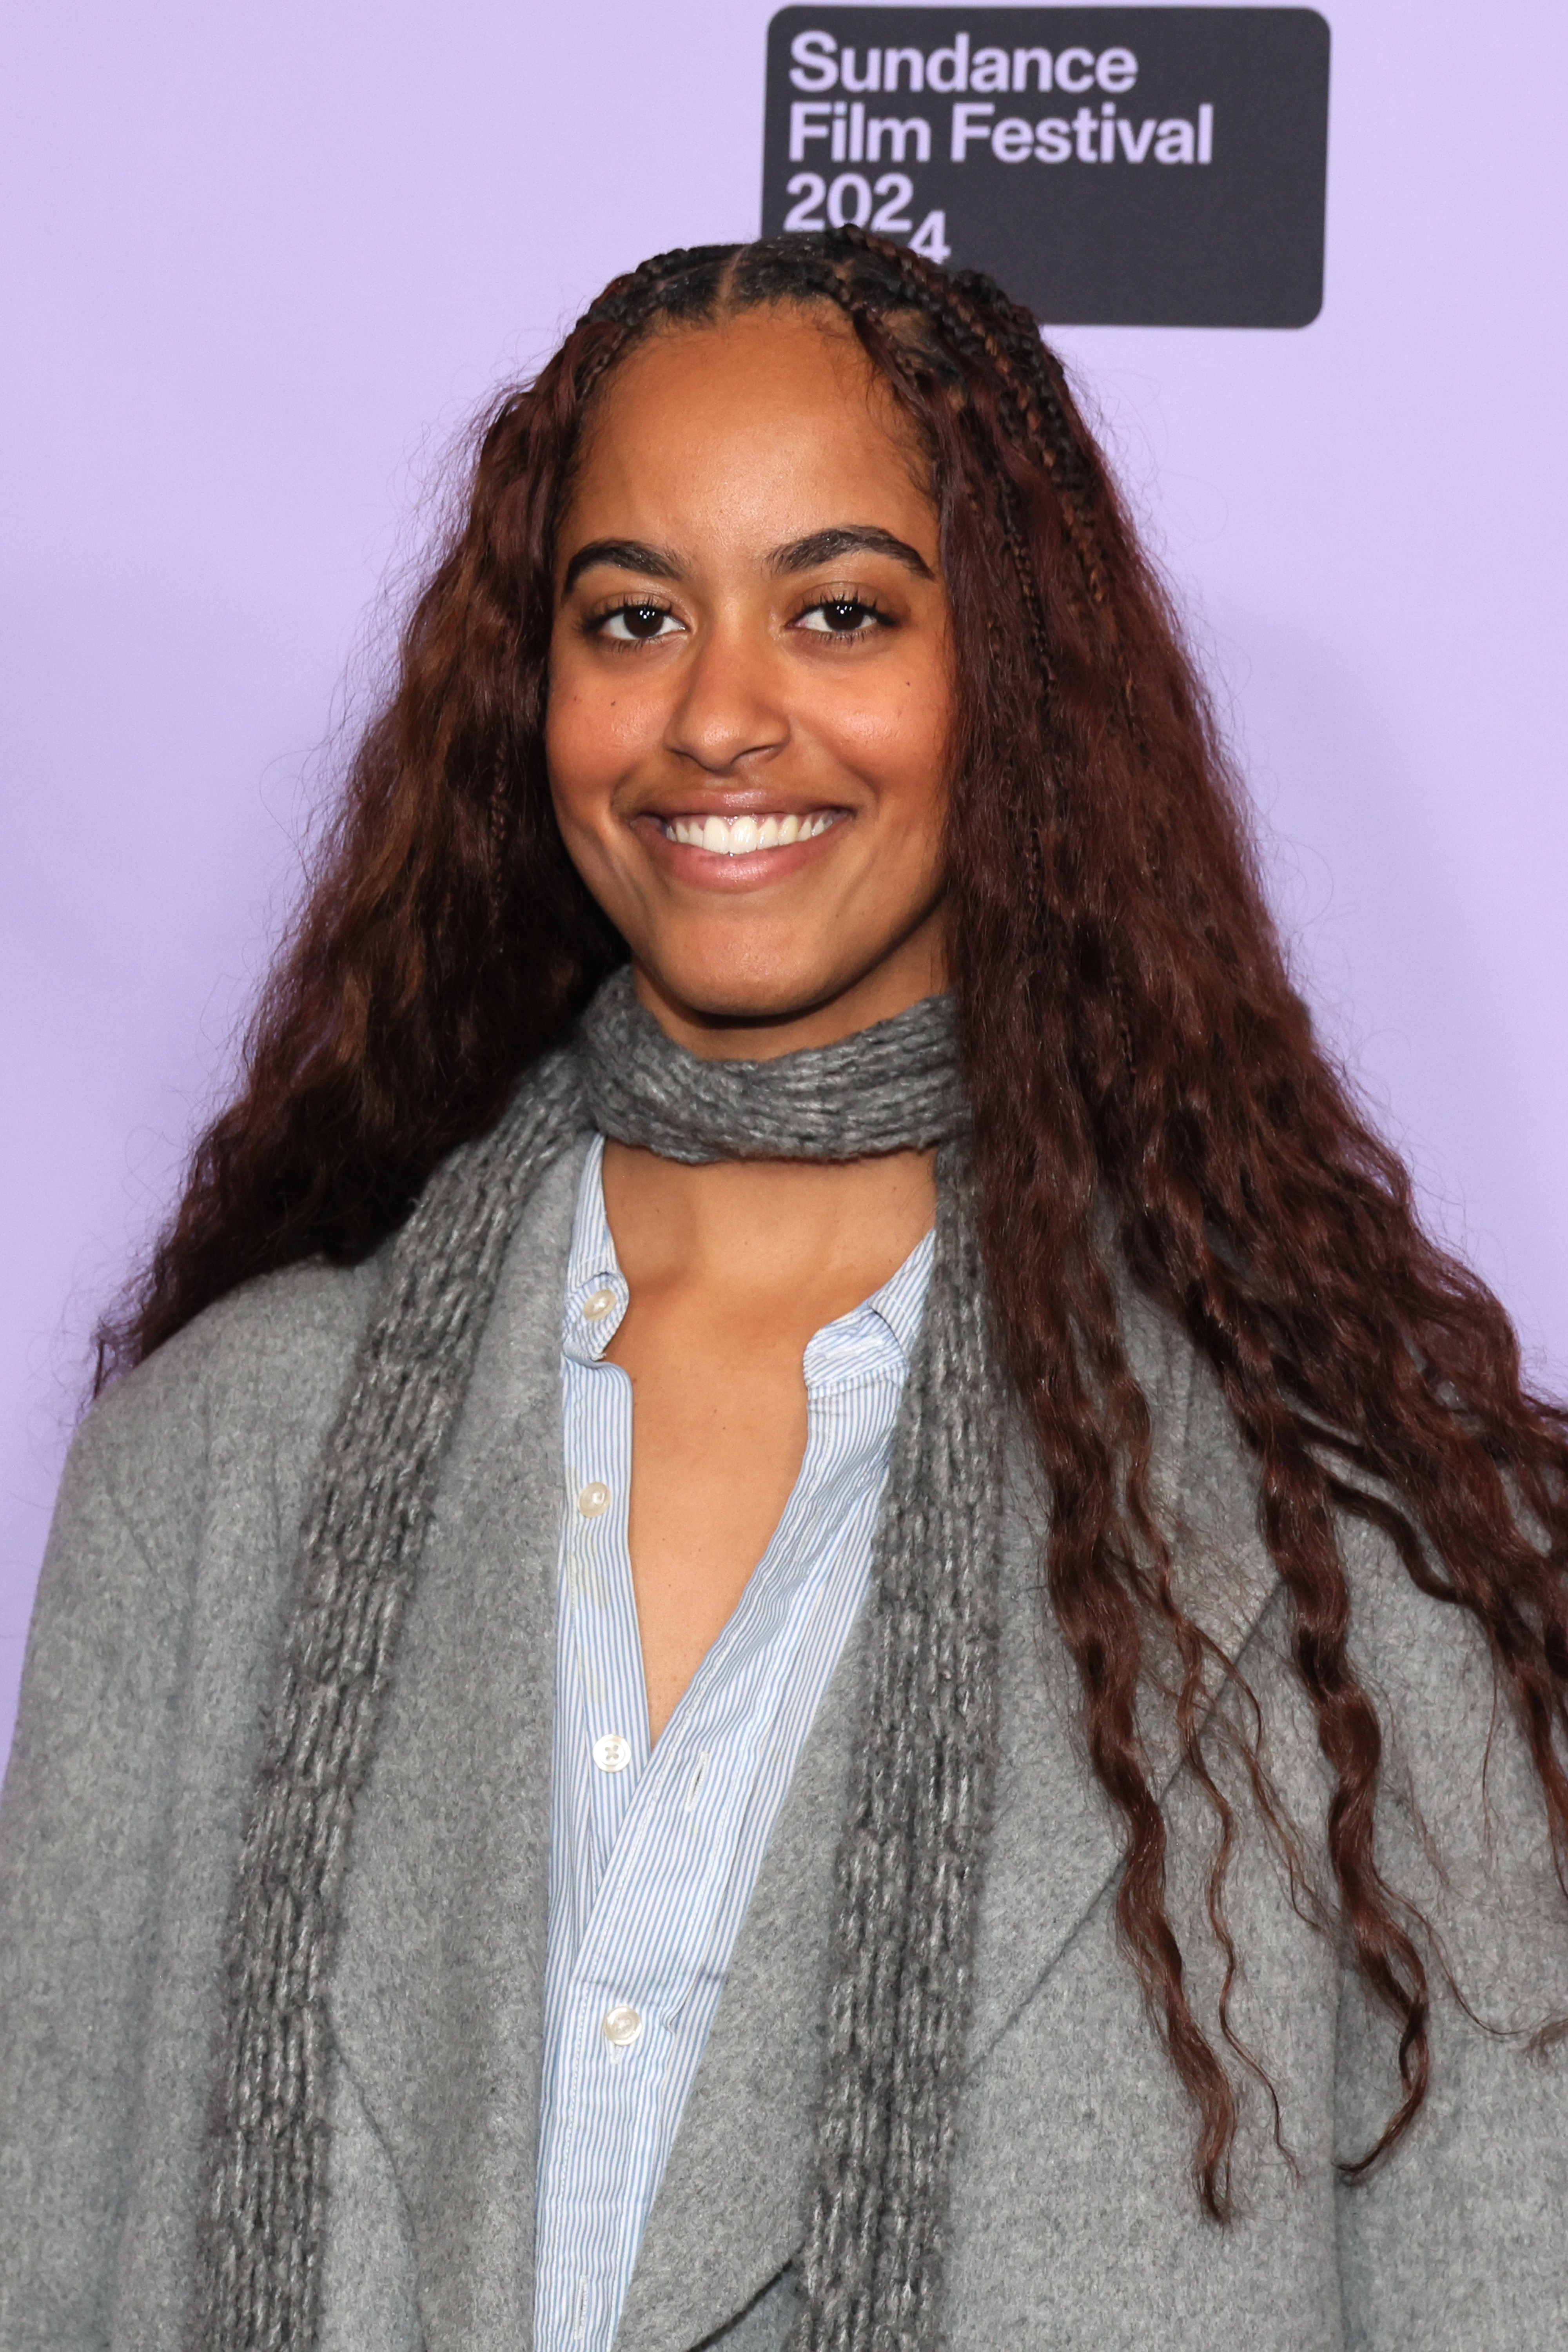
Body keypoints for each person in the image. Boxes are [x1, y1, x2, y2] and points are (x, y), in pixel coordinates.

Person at [1, 230, 1565, 2352]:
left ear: (1009, 676)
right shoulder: (214, 1465)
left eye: (840, 612)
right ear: (534, 690)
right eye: (631, 617)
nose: (720, 716)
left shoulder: (1353, 1547)